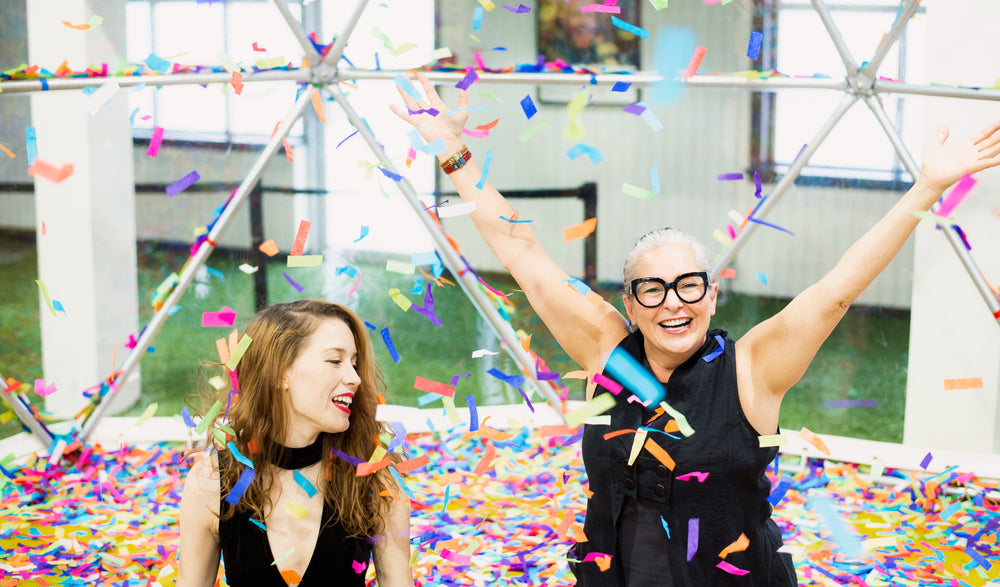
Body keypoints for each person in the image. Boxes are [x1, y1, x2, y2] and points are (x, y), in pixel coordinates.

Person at [391, 72, 1000, 585]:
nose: (672, 304)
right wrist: (452, 149)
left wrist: (928, 187)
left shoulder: (751, 368)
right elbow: (519, 248)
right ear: (630, 304)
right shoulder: (612, 354)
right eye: (652, 290)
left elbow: (837, 290)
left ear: (710, 296)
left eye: (689, 286)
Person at [178, 300, 413, 587]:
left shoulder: (376, 482)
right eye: (335, 361)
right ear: (280, 373)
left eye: (354, 363)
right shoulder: (212, 483)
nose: (355, 378)